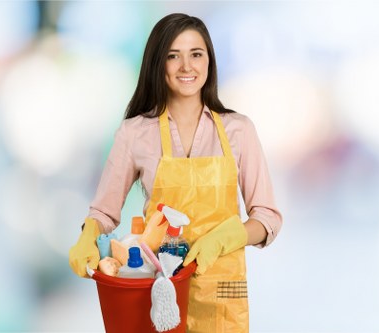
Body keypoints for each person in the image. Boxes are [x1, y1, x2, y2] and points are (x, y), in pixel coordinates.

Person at [69, 13, 282, 332]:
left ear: (209, 61)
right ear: (158, 63)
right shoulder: (135, 132)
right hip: (159, 289)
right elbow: (104, 211)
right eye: (173, 56)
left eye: (196, 54)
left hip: (222, 290)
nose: (187, 66)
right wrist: (88, 234)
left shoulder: (239, 130)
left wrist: (230, 236)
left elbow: (267, 218)